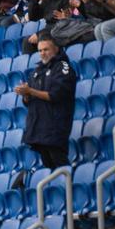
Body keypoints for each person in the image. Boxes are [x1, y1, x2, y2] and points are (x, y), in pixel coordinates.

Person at [14, 36, 77, 184]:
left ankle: (72, 190)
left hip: (55, 124)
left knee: (60, 163)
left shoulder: (63, 67)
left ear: (56, 49)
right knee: (49, 166)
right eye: (40, 50)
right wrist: (26, 95)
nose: (42, 53)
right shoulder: (37, 70)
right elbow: (29, 101)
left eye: (46, 49)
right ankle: (60, 194)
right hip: (39, 126)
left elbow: (55, 95)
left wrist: (30, 91)